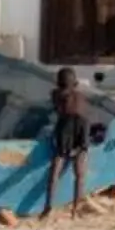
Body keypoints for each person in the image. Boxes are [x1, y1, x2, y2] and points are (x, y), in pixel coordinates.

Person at [44, 66, 90, 217]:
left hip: (68, 129)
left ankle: (49, 207)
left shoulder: (57, 95)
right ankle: (76, 207)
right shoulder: (80, 96)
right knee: (79, 173)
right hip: (78, 128)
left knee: (56, 171)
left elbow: (56, 108)